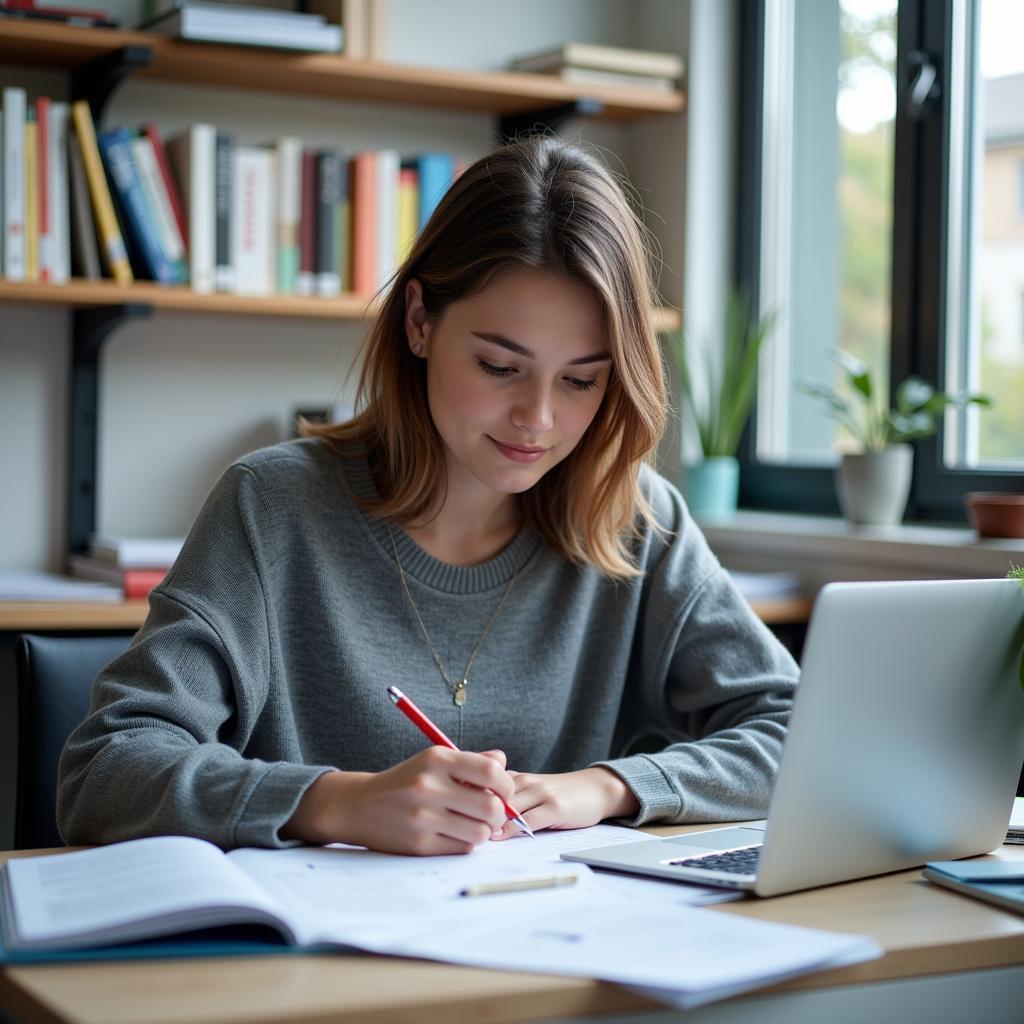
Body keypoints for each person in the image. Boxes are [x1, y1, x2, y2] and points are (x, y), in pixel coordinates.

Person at [57, 135, 798, 856]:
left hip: (553, 951)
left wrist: (608, 787)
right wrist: (335, 802)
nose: (538, 420)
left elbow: (798, 727)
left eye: (581, 380)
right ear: (419, 322)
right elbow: (104, 772)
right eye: (500, 367)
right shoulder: (272, 507)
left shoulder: (635, 516)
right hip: (312, 967)